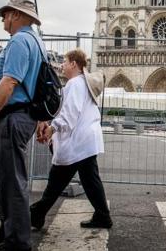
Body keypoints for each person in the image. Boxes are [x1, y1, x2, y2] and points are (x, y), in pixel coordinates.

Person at [0, 0, 45, 251]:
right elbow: (40, 85)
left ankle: (17, 241)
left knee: (12, 180)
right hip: (22, 116)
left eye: (4, 15)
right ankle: (11, 222)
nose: (3, 20)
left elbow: (9, 82)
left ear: (16, 15)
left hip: (12, 117)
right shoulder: (37, 41)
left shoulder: (19, 41)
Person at [30, 48, 112, 230]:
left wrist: (53, 128)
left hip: (78, 142)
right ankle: (102, 216)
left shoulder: (75, 83)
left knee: (57, 180)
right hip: (85, 141)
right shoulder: (84, 83)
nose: (62, 66)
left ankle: (37, 213)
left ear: (74, 64)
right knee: (89, 180)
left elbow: (70, 113)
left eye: (65, 62)